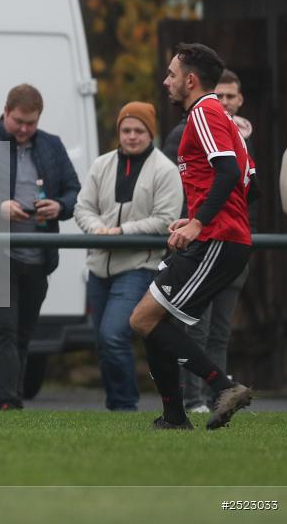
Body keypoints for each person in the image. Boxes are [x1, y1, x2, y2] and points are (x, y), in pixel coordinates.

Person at [129, 43, 255, 431]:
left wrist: (200, 223)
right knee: (149, 321)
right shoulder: (218, 117)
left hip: (217, 239)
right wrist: (192, 218)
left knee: (143, 319)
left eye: (171, 74)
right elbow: (243, 178)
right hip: (214, 235)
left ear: (190, 79)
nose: (166, 81)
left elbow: (230, 172)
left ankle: (223, 387)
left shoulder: (204, 112)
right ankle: (174, 417)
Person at [0, 84, 81, 410]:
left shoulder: (51, 146)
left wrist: (59, 206)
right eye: (18, 121)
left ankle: (12, 396)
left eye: (31, 123)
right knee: (2, 329)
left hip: (38, 255)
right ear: (6, 112)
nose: (24, 129)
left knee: (23, 331)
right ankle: (7, 401)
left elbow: (75, 191)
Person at [74, 102, 182, 411]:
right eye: (126, 130)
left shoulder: (165, 170)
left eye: (139, 130)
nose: (132, 136)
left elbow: (166, 219)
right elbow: (82, 207)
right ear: (119, 132)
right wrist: (98, 230)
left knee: (113, 335)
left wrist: (121, 232)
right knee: (102, 342)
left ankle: (124, 405)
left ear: (151, 133)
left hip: (138, 265)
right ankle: (115, 406)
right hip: (98, 265)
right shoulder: (101, 165)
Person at [177, 69, 256, 414]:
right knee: (192, 325)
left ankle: (217, 397)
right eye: (218, 96)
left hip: (227, 237)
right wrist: (194, 220)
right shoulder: (190, 128)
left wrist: (205, 219)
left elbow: (243, 183)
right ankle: (193, 399)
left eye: (230, 97)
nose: (223, 102)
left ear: (240, 101)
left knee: (219, 330)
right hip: (205, 237)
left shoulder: (239, 138)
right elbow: (182, 182)